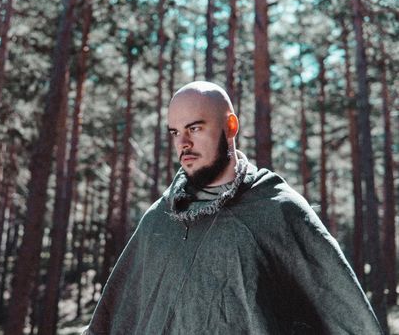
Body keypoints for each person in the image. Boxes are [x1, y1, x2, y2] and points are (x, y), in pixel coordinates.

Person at [84, 81, 383, 334]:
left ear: (230, 125)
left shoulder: (276, 209)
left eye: (195, 128)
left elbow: (339, 310)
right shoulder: (160, 219)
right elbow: (115, 316)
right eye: (175, 132)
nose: (183, 144)